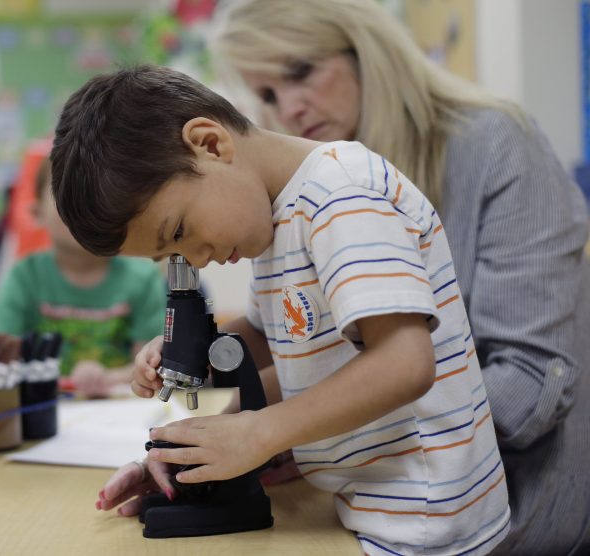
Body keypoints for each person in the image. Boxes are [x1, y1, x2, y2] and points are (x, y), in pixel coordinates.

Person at [51, 64, 511, 555]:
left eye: (180, 231)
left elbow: (405, 364)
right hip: (366, 505)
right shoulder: (278, 215)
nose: (197, 258)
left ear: (209, 144)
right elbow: (270, 336)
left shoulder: (341, 195)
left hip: (425, 522)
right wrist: (190, 386)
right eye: (173, 255)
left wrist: (260, 434)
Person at [207, 1, 590, 554]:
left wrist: (319, 429)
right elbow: (310, 348)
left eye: (301, 71)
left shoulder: (496, 144)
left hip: (510, 511)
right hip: (377, 499)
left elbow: (533, 383)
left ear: (367, 51)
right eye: (266, 95)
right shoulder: (314, 191)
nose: (290, 106)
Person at [0, 157, 167, 398]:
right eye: (66, 195)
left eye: (92, 195)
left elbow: (150, 367)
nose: (80, 210)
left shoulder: (143, 278)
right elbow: (2, 362)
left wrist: (106, 380)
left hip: (120, 409)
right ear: (37, 212)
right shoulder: (24, 278)